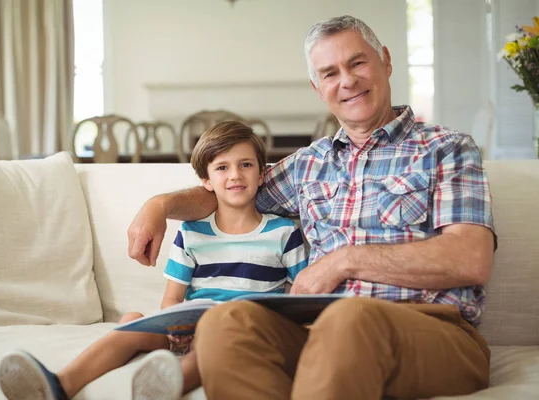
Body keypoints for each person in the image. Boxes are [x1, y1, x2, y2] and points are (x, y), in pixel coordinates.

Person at [127, 15, 496, 400]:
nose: (347, 81)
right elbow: (230, 191)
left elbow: (470, 258)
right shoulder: (308, 164)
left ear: (385, 61)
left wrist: (343, 261)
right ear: (318, 88)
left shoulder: (447, 149)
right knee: (228, 321)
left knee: (350, 316)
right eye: (330, 73)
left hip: (435, 331)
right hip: (320, 333)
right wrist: (160, 204)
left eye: (357, 63)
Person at [0, 121, 308, 400]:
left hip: (241, 335)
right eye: (222, 168)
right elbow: (172, 298)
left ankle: (167, 385)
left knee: (221, 342)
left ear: (262, 173)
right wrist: (177, 326)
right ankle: (60, 384)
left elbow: (301, 295)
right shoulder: (191, 233)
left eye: (245, 165)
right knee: (132, 319)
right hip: (190, 331)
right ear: (206, 180)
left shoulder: (283, 232)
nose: (236, 175)